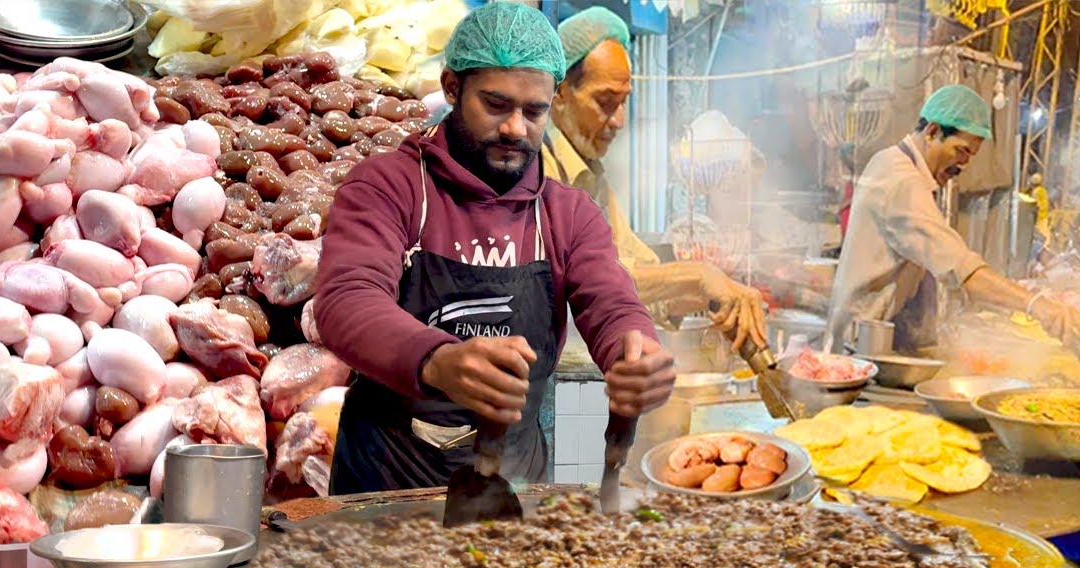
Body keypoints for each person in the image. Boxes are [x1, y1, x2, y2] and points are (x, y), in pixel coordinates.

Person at [314, 3, 675, 492]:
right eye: (496, 104)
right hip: (384, 486)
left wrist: (635, 351)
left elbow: (612, 303)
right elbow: (346, 301)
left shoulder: (567, 213)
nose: (515, 129)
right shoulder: (389, 187)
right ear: (451, 87)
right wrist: (436, 359)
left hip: (516, 491)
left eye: (534, 111)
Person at [543, 7, 767, 352]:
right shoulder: (536, 173)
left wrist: (710, 296)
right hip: (549, 371)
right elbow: (588, 278)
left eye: (624, 102)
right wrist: (697, 276)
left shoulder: (594, 180)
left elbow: (637, 271)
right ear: (558, 94)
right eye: (605, 101)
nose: (619, 120)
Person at [827, 84, 1080, 354]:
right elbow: (960, 268)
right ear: (932, 132)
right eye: (961, 150)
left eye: (970, 156)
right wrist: (1036, 305)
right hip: (862, 346)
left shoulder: (893, 161)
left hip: (875, 336)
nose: (963, 165)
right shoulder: (902, 181)